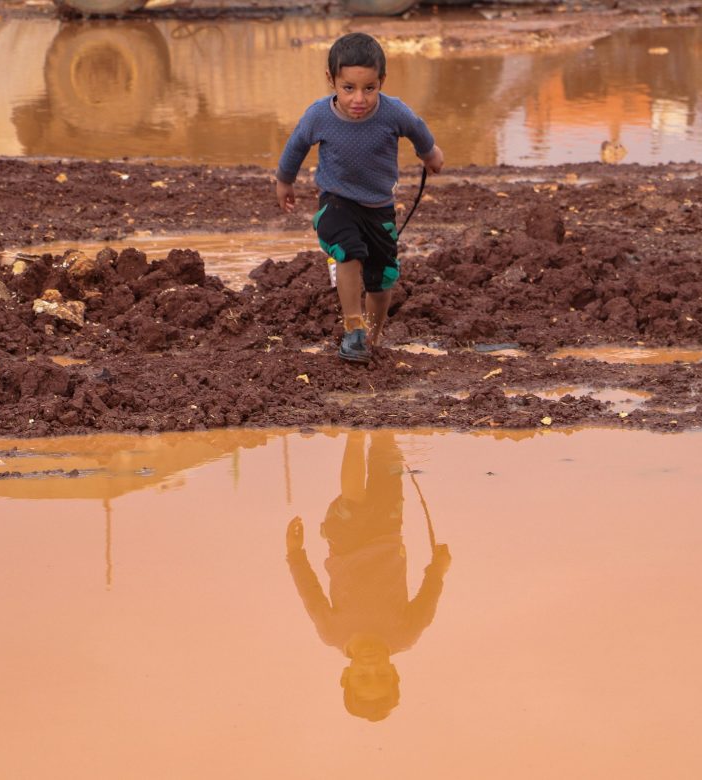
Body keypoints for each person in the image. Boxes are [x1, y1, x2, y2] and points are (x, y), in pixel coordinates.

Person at [275, 32, 445, 365]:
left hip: (378, 207)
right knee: (348, 251)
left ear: (382, 81)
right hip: (336, 200)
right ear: (331, 81)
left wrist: (430, 153)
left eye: (369, 88)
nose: (359, 99)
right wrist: (284, 181)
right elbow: (296, 145)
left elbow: (417, 127)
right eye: (348, 88)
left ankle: (371, 336)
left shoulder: (393, 112)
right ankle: (353, 326)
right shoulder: (319, 116)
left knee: (381, 280)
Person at [285, 431, 451, 721]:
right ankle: (382, 429)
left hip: (345, 543)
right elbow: (427, 600)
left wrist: (295, 552)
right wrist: (437, 567)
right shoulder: (406, 634)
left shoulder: (332, 633)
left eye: (363, 677)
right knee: (388, 470)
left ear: (345, 677)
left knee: (354, 503)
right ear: (394, 673)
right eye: (381, 676)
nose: (372, 667)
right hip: (388, 533)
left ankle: (356, 436)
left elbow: (309, 591)